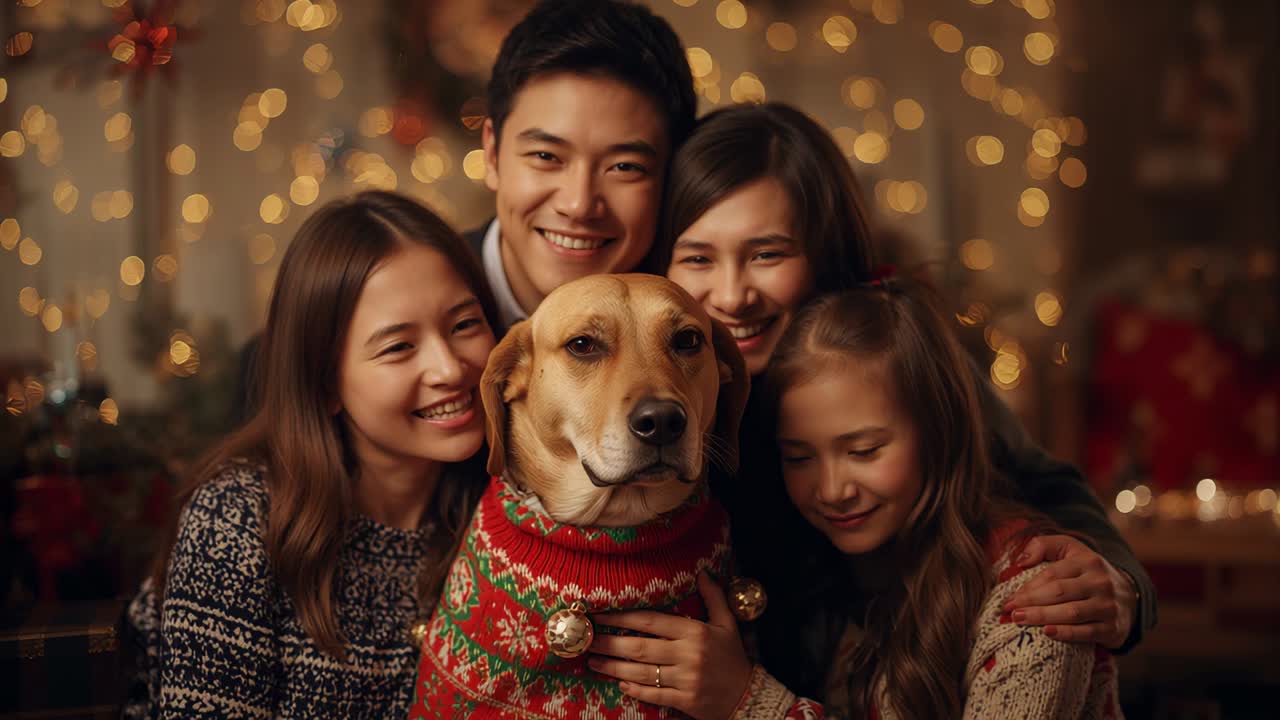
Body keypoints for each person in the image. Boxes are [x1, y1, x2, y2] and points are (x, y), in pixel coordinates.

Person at [585, 103, 1152, 713]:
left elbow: (1043, 484)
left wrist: (1123, 587)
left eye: (768, 254)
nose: (731, 296)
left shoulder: (890, 359)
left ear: (824, 255)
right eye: (697, 258)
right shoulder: (651, 385)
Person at [591, 281, 1124, 719]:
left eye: (864, 450)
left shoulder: (1038, 604)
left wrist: (747, 703)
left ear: (938, 433)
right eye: (799, 457)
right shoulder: (812, 574)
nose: (832, 490)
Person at [121, 191, 500, 718]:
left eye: (464, 325)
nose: (451, 368)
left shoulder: (506, 506)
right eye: (398, 347)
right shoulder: (237, 520)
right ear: (325, 384)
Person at [465, 0, 697, 331]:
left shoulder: (696, 311)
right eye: (546, 156)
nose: (579, 205)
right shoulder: (411, 303)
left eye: (623, 167)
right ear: (491, 153)